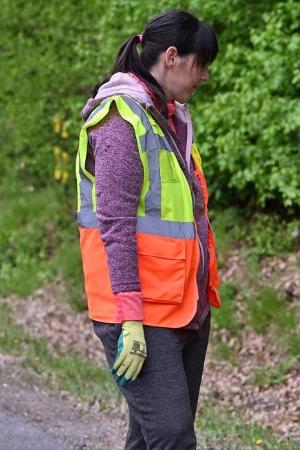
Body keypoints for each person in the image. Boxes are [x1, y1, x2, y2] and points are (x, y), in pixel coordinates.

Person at [74, 10, 220, 449]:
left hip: (182, 306)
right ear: (172, 57)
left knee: (150, 438)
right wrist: (131, 319)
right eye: (202, 64)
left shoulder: (169, 118)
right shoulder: (121, 119)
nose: (207, 76)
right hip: (140, 312)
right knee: (173, 437)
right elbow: (114, 225)